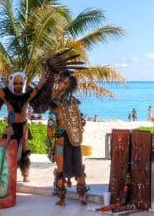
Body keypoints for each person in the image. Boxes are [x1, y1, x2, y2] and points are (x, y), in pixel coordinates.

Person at [47, 70, 88, 206]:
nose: (57, 86)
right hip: (75, 140)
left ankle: (62, 199)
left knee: (60, 170)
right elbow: (81, 122)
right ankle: (81, 197)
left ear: (63, 85)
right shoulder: (73, 103)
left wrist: (48, 141)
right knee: (79, 169)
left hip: (61, 142)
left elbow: (51, 124)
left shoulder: (55, 105)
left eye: (59, 83)